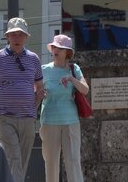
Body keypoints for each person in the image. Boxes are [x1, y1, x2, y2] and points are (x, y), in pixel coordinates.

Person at [0, 18, 46, 182]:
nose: (17, 38)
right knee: (14, 159)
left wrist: (36, 102)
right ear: (7, 36)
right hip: (6, 118)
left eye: (21, 34)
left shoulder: (34, 59)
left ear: (26, 37)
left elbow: (40, 87)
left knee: (22, 162)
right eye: (13, 34)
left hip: (28, 118)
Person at [40, 34, 88, 182]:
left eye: (60, 48)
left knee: (73, 162)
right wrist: (40, 93)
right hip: (49, 121)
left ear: (67, 52)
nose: (56, 50)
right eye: (54, 47)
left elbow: (85, 89)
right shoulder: (44, 69)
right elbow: (35, 92)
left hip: (70, 121)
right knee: (51, 164)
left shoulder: (74, 68)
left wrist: (72, 79)